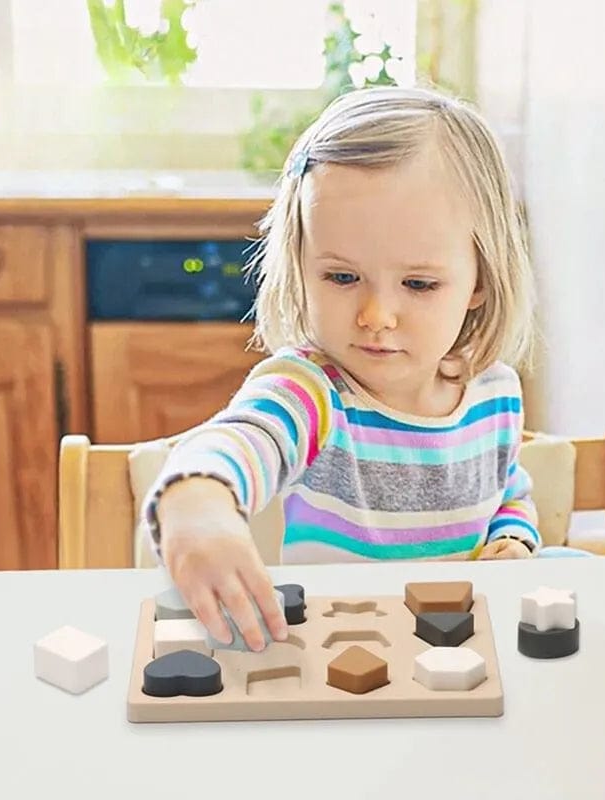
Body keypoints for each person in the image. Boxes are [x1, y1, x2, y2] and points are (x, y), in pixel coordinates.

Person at [141, 84, 541, 653]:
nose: (376, 316)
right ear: (300, 266)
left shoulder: (493, 391)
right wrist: (197, 498)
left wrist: (513, 538)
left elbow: (508, 488)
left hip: (462, 661)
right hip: (343, 665)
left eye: (419, 284)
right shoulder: (310, 391)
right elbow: (244, 438)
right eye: (342, 277)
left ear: (480, 278)